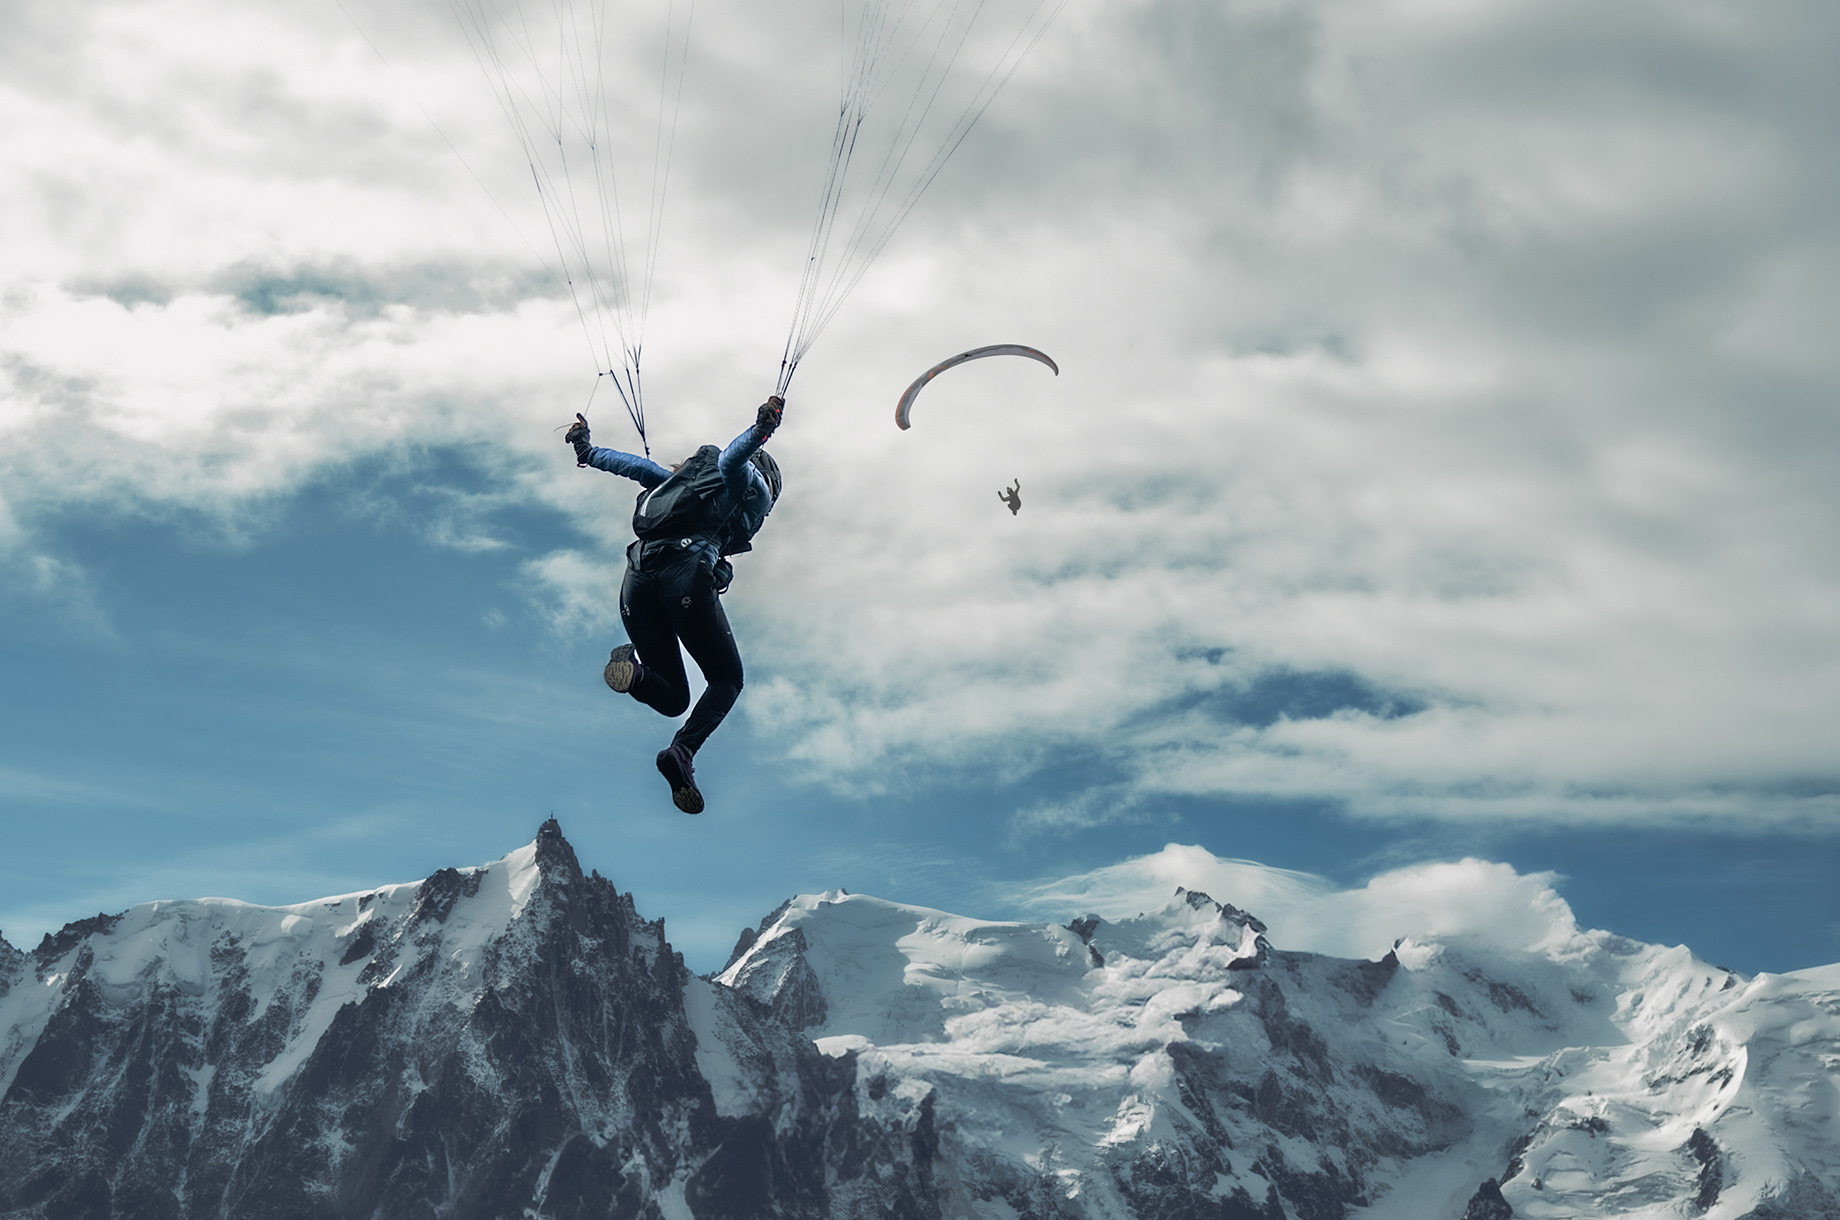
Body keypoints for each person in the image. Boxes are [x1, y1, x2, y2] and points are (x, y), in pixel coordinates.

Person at [564, 398, 783, 813]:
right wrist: (760, 430)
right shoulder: (753, 489)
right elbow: (733, 464)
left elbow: (630, 466)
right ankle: (683, 750)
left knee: (673, 699)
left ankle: (633, 674)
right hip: (684, 575)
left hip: (636, 582)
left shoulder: (673, 480)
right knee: (727, 680)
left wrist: (586, 451)